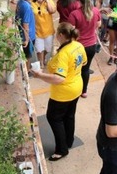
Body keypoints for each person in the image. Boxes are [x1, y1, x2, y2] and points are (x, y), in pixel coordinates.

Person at [32, 22, 87, 161]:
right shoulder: (78, 45)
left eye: (57, 33)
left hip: (63, 93)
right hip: (76, 87)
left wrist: (39, 75)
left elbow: (58, 79)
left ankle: (61, 149)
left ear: (61, 35)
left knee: (54, 117)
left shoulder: (64, 53)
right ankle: (68, 140)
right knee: (69, 115)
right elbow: (84, 63)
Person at [68, 0, 101, 98]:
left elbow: (70, 30)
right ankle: (84, 91)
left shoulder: (74, 14)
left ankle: (74, 89)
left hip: (78, 46)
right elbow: (98, 25)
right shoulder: (96, 11)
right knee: (86, 69)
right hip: (91, 45)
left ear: (79, 1)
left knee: (75, 68)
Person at [32, 0, 56, 68]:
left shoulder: (50, 2)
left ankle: (44, 57)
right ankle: (41, 62)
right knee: (39, 49)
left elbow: (52, 11)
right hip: (37, 30)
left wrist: (46, 1)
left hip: (48, 31)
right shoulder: (32, 3)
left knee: (48, 49)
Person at [16, 0, 36, 73]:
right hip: (28, 36)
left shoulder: (20, 2)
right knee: (27, 56)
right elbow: (25, 24)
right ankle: (26, 72)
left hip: (21, 33)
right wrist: (27, 40)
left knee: (25, 55)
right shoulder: (27, 7)